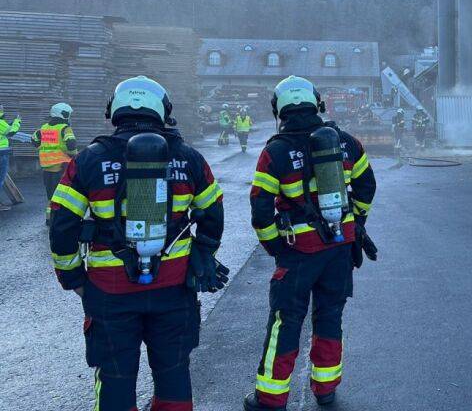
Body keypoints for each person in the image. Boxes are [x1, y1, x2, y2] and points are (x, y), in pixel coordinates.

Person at [48, 76, 228, 411]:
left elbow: (61, 224)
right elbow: (213, 213)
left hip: (110, 291)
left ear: (113, 111)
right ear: (163, 111)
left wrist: (73, 278)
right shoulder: (188, 158)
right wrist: (202, 254)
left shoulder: (88, 160)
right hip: (174, 288)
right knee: (174, 372)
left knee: (115, 376)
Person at [245, 75, 376, 411]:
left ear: (279, 110)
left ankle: (270, 399)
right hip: (339, 250)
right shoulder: (346, 142)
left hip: (298, 254)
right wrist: (356, 223)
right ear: (318, 104)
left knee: (286, 321)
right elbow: (366, 187)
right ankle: (326, 390)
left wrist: (276, 248)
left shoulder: (275, 151)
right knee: (330, 316)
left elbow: (260, 208)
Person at [32, 102, 77, 225]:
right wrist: (73, 155)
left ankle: (49, 218)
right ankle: (61, 219)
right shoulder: (65, 128)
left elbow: (34, 140)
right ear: (63, 114)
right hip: (63, 167)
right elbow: (71, 144)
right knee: (64, 195)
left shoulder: (44, 128)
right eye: (68, 114)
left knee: (51, 195)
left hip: (47, 169)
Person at [0, 103, 21, 211]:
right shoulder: (0, 122)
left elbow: (5, 129)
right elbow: (11, 132)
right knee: (0, 178)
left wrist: (10, 124)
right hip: (1, 152)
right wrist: (17, 122)